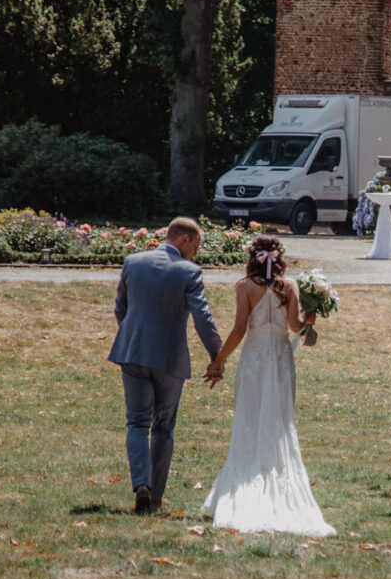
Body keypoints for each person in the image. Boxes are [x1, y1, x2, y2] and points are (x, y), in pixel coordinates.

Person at [200, 235, 335, 536]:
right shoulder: (289, 287)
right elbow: (296, 327)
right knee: (279, 418)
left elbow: (238, 330)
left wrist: (218, 360)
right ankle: (275, 469)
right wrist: (310, 316)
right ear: (280, 258)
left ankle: (246, 476)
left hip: (254, 358)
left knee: (249, 417)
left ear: (252, 257)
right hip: (280, 357)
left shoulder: (244, 287)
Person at [109, 217, 222, 513]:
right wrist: (217, 356)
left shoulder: (133, 261)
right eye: (195, 245)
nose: (196, 252)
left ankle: (141, 485)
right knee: (163, 425)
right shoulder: (189, 271)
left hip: (132, 352)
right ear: (183, 239)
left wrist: (132, 335)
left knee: (136, 422)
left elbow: (120, 307)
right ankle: (156, 495)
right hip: (170, 357)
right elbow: (202, 319)